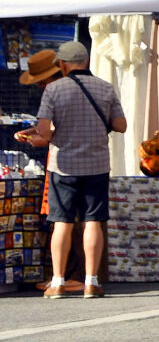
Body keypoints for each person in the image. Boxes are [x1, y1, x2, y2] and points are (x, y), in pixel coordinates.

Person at [13, 42, 126, 298]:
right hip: (96, 164)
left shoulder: (54, 89)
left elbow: (43, 132)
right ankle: (91, 282)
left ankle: (59, 282)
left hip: (63, 166)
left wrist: (53, 133)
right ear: (86, 60)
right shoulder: (105, 87)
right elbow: (120, 125)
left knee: (62, 222)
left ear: (62, 64)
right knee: (93, 222)